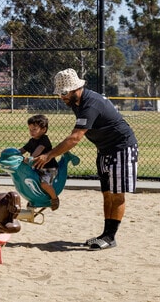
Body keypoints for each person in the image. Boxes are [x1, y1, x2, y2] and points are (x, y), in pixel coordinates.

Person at [34, 68, 138, 250]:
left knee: (116, 194)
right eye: (59, 93)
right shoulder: (77, 103)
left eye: (64, 93)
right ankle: (105, 234)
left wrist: (49, 155)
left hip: (121, 148)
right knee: (107, 194)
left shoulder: (90, 104)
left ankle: (111, 237)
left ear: (76, 89)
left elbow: (75, 137)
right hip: (104, 150)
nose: (62, 97)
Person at [19, 114, 60, 210]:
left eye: (34, 129)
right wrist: (13, 153)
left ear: (43, 129)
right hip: (37, 168)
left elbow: (39, 149)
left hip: (49, 168)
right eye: (30, 129)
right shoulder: (31, 141)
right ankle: (34, 199)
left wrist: (31, 157)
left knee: (44, 184)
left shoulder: (44, 140)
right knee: (29, 182)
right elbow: (23, 149)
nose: (31, 132)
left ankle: (54, 199)